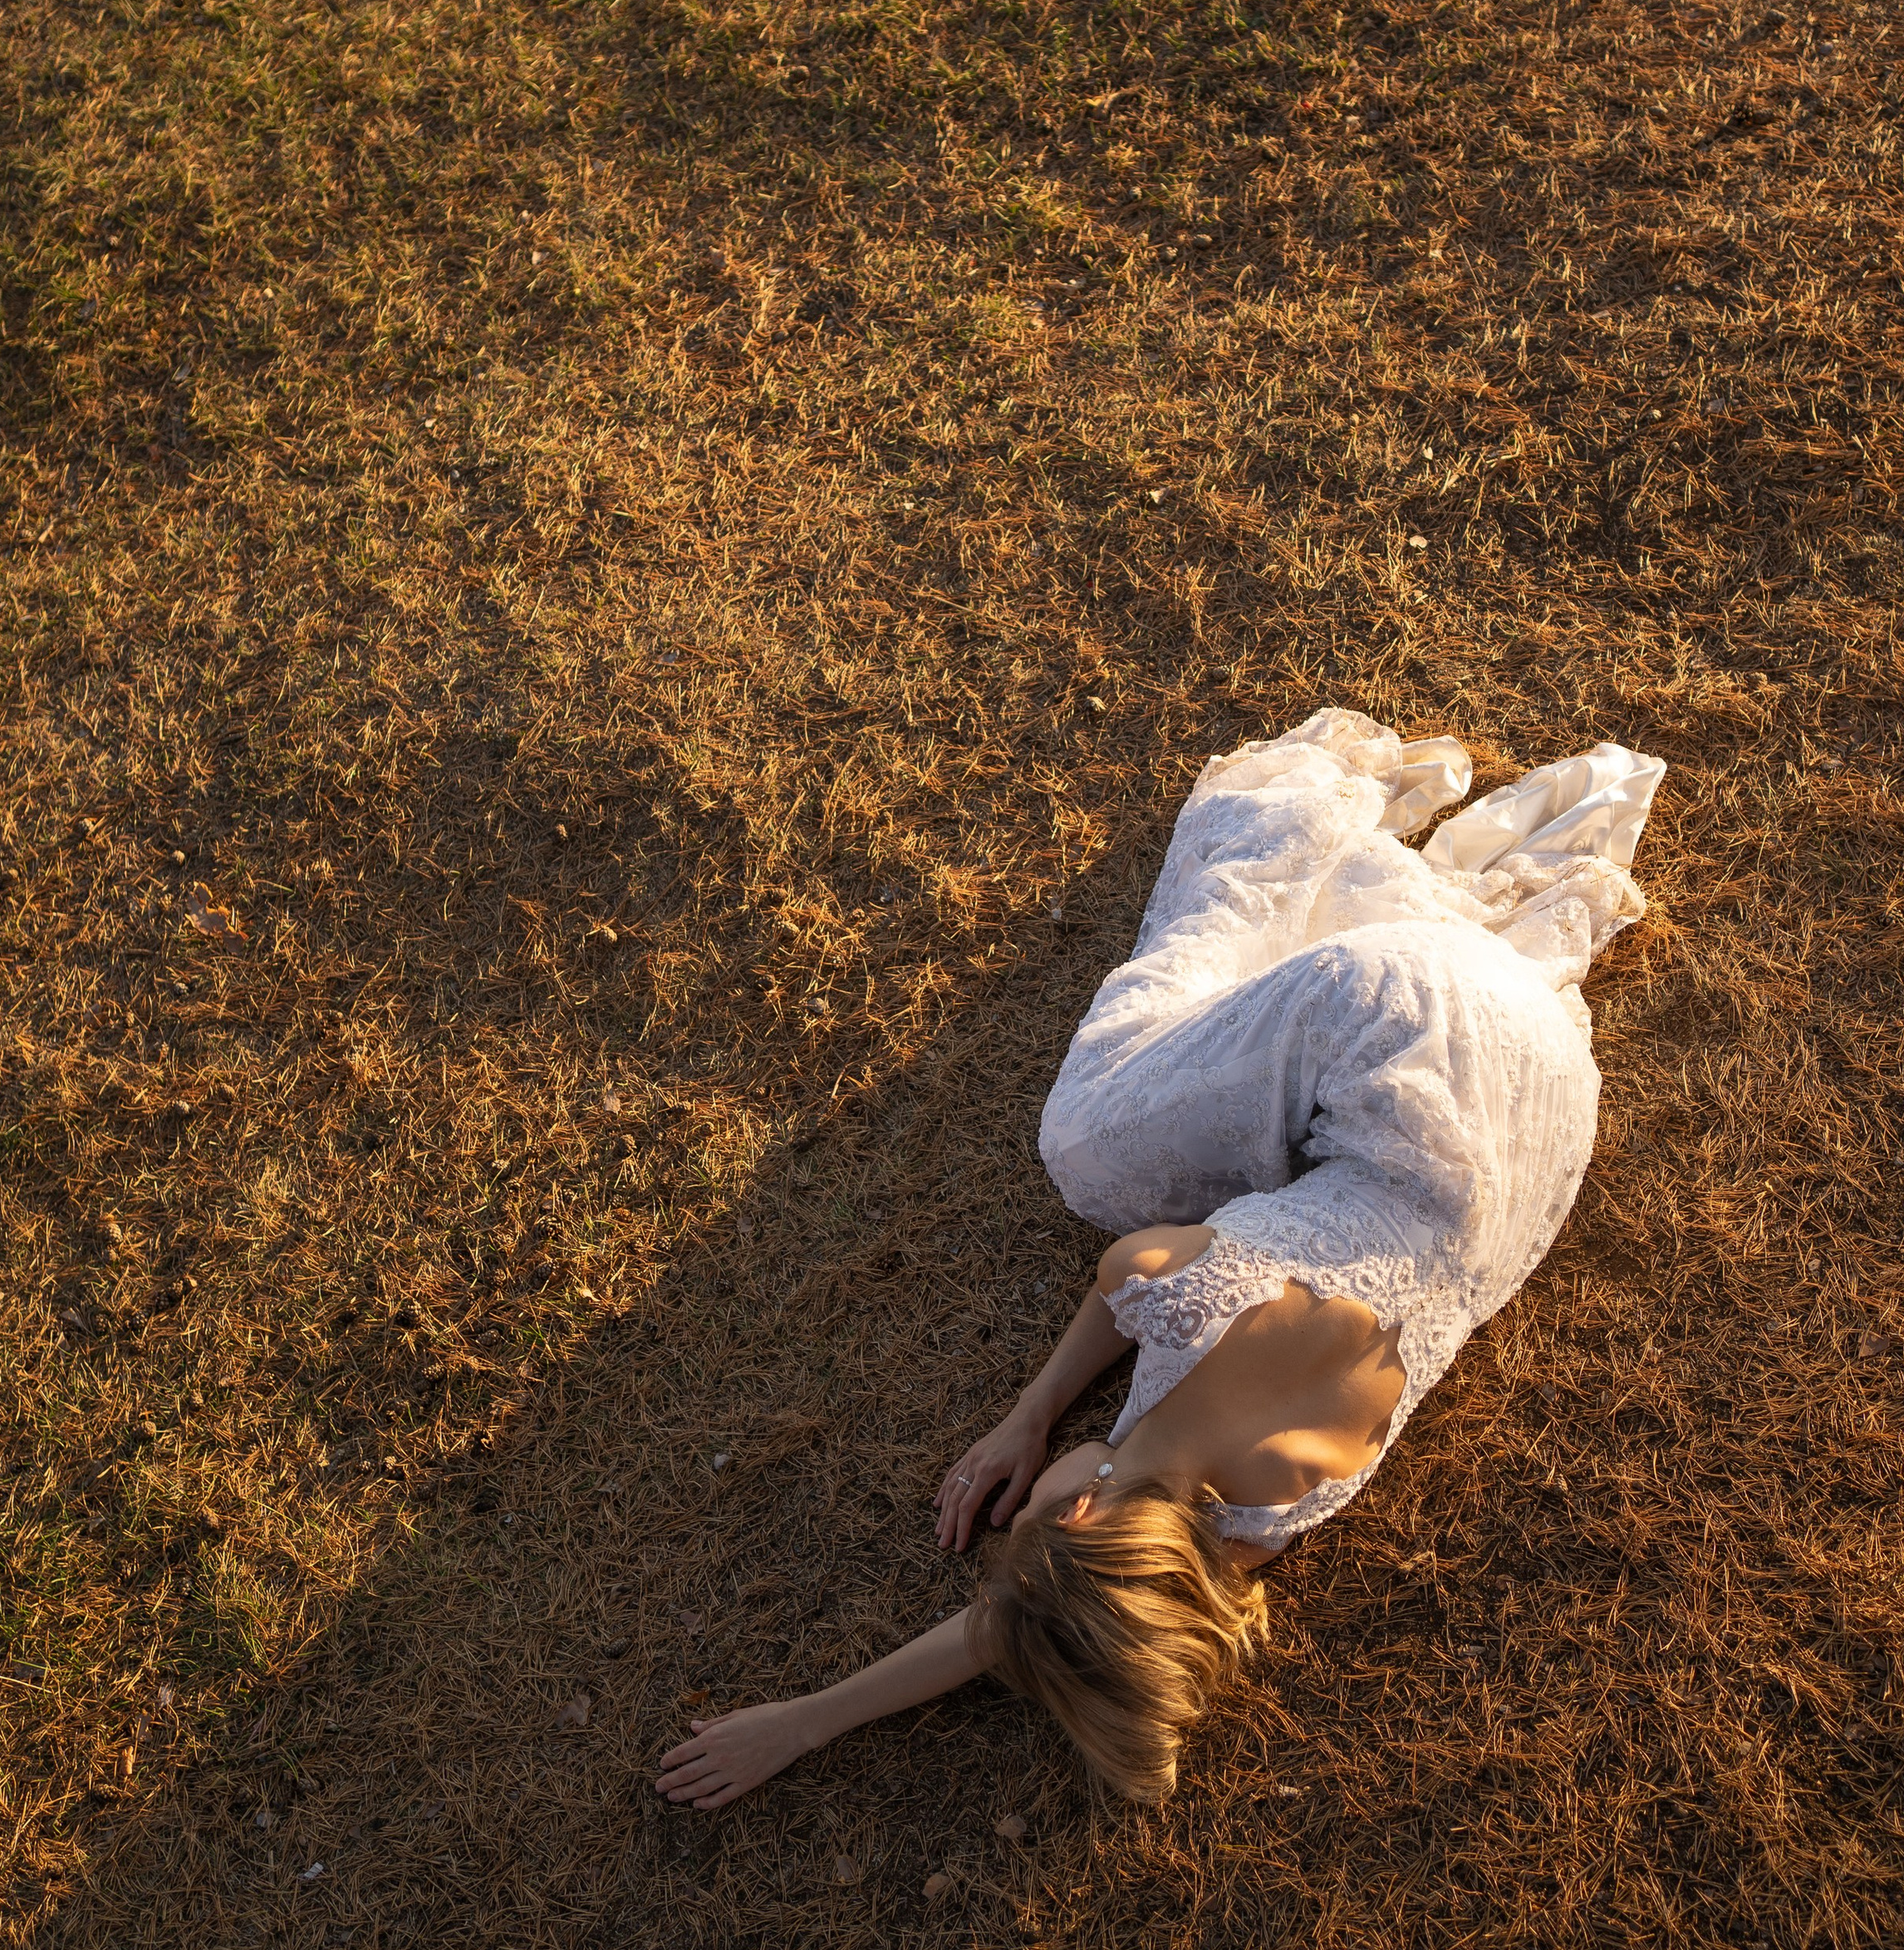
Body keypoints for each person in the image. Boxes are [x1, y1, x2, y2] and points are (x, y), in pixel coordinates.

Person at [657, 705, 1665, 1811]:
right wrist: (1032, 1414)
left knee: (1235, 1163)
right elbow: (1116, 1288)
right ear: (1080, 1510)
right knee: (1087, 1148)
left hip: (1544, 1121)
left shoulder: (1266, 1522)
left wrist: (811, 1723)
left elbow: (1029, 1627)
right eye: (1031, 1520)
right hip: (1420, 1028)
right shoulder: (1182, 1298)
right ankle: (1294, 816)